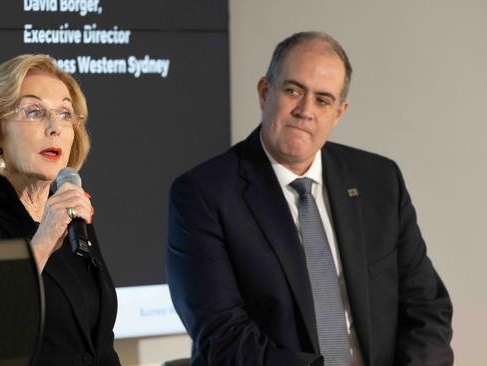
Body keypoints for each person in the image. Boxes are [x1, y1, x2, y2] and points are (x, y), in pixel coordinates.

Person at [167, 32, 453, 366]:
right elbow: (224, 335)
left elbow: (426, 307)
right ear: (264, 92)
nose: (305, 110)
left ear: (339, 112)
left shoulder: (380, 181)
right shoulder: (204, 194)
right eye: (293, 90)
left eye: (323, 100)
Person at [0, 54, 121, 366]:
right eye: (34, 112)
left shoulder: (71, 212)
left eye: (65, 114)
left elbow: (98, 346)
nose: (55, 127)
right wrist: (43, 240)